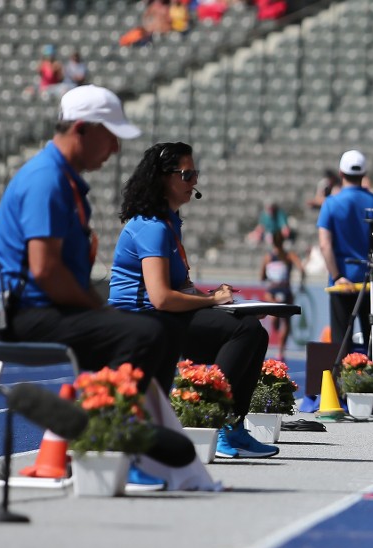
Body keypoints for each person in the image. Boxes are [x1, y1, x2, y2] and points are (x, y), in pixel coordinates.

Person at [0, 86, 198, 477]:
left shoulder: (63, 180)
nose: (114, 148)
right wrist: (99, 310)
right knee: (142, 334)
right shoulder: (47, 180)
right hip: (16, 315)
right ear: (81, 129)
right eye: (110, 134)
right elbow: (45, 271)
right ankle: (115, 443)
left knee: (158, 328)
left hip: (38, 307)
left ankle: (130, 441)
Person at [109, 141, 278, 458]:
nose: (194, 181)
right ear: (163, 178)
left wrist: (221, 303)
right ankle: (208, 421)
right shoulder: (152, 227)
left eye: (195, 173)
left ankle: (231, 425)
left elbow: (181, 289)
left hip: (162, 316)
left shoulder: (170, 223)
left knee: (252, 330)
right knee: (245, 332)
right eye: (187, 174)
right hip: (140, 319)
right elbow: (160, 298)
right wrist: (213, 302)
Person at [317, 150, 373, 349]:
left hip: (343, 282)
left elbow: (325, 244)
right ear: (363, 174)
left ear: (341, 174)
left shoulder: (331, 203)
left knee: (341, 342)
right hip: (370, 280)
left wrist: (337, 275)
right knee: (372, 341)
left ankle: (343, 380)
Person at [260, 230, 306, 361]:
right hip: (285, 290)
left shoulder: (270, 257)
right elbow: (301, 269)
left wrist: (269, 274)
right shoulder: (287, 255)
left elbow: (262, 276)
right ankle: (281, 350)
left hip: (274, 291)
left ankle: (280, 350)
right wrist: (301, 283)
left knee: (279, 320)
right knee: (285, 322)